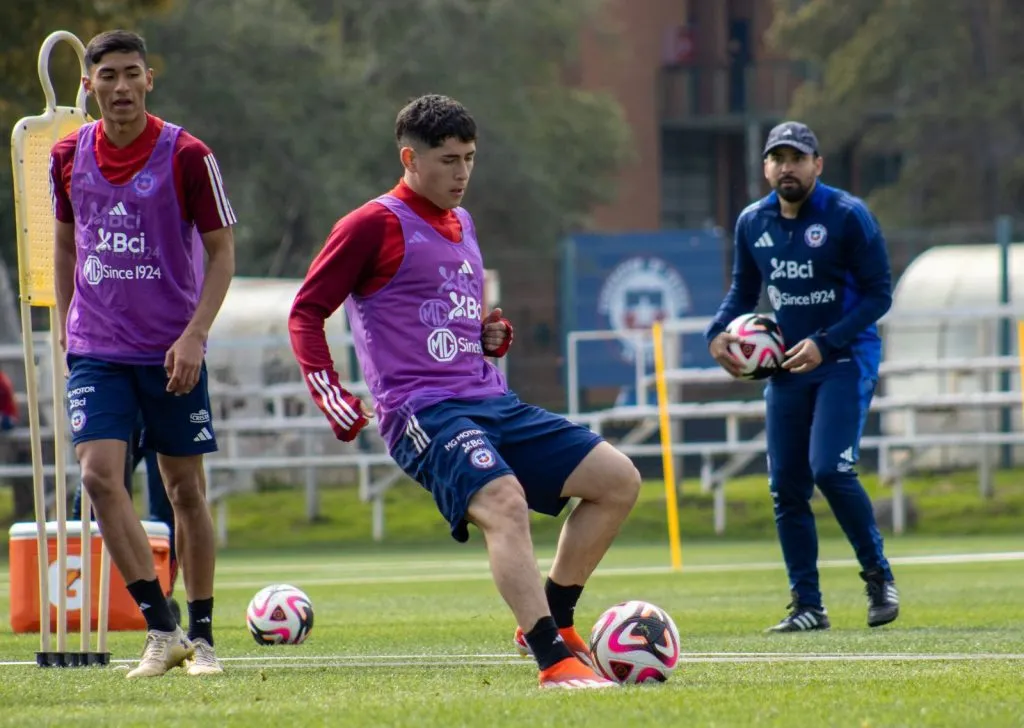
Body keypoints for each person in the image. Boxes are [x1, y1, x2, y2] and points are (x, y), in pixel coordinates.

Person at [289, 94, 640, 690]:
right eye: (448, 160)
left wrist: (488, 336)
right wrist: (332, 394)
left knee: (617, 481)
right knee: (504, 503)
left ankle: (555, 616)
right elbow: (306, 312)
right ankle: (553, 660)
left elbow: (450, 321)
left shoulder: (464, 223)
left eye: (470, 158)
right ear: (410, 158)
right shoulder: (371, 224)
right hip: (422, 412)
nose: (462, 173)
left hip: (492, 401)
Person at [50, 29, 235, 677]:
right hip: (98, 349)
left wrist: (195, 335)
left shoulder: (188, 155)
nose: (121, 87)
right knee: (100, 477)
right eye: (108, 76)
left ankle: (204, 635)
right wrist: (67, 323)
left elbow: (221, 253)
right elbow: (67, 241)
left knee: (184, 490)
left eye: (132, 74)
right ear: (89, 84)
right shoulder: (68, 153)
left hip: (171, 351)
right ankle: (163, 629)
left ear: (149, 79)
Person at [704, 121, 900, 633]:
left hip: (843, 358)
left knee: (830, 471)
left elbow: (881, 296)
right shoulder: (753, 222)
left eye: (798, 157)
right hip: (787, 367)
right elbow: (743, 292)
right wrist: (717, 332)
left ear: (818, 164)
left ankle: (878, 576)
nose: (787, 167)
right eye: (778, 158)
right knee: (786, 486)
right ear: (766, 166)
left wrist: (825, 341)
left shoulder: (849, 217)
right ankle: (808, 606)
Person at [71, 414, 181, 624]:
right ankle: (85, 590)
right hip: (118, 398)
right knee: (93, 492)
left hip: (158, 397)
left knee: (166, 508)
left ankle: (159, 596)